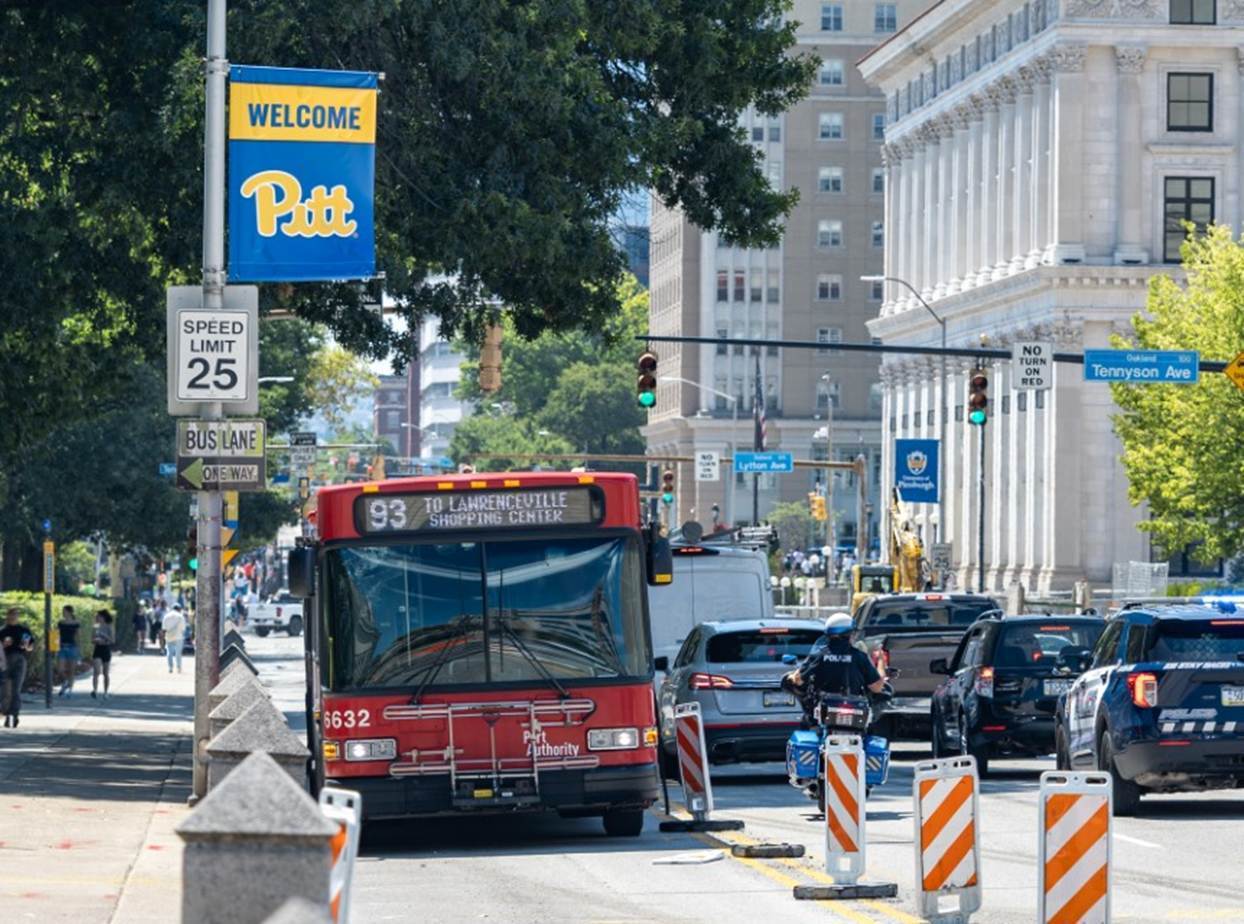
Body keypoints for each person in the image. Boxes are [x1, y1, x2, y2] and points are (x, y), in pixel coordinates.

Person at [785, 613, 885, 727]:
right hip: (854, 714)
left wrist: (793, 676)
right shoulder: (860, 656)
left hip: (824, 712)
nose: (854, 636)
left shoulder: (819, 655)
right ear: (847, 634)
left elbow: (798, 680)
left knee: (807, 726)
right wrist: (881, 661)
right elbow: (877, 687)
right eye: (853, 633)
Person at [0, 608, 35, 727]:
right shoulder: (2, 631)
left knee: (16, 690)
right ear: (7, 616)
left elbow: (30, 647)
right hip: (4, 661)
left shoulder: (24, 630)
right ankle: (6, 712)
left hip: (20, 660)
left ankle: (13, 717)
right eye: (12, 614)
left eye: (16, 615)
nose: (14, 617)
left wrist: (27, 646)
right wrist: (4, 645)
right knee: (5, 691)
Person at [56, 606, 82, 697]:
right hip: (62, 647)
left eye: (64, 611)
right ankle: (65, 682)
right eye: (62, 611)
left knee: (71, 670)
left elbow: (78, 637)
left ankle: (70, 690)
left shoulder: (76, 623)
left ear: (70, 612)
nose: (63, 613)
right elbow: (57, 635)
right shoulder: (60, 623)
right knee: (60, 669)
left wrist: (79, 650)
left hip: (72, 647)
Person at [91, 610, 115, 699]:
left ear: (103, 617)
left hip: (106, 649)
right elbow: (92, 639)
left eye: (98, 616)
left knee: (105, 673)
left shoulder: (109, 626)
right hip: (97, 649)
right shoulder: (95, 627)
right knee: (96, 671)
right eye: (96, 617)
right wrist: (96, 640)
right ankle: (95, 690)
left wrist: (104, 636)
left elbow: (112, 640)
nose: (96, 618)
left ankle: (105, 692)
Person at [161, 603, 187, 674]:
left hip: (169, 636)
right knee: (178, 653)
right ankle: (178, 668)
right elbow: (183, 628)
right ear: (179, 609)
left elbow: (164, 628)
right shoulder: (180, 616)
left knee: (169, 653)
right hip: (178, 636)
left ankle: (170, 668)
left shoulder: (166, 616)